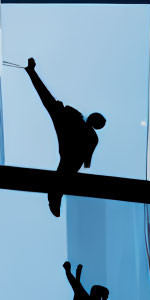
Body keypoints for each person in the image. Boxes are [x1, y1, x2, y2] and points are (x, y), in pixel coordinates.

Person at [25, 57, 105, 217]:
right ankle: (55, 196)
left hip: (68, 143)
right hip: (68, 142)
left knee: (48, 100)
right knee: (48, 101)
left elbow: (86, 159)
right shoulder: (88, 131)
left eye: (95, 119)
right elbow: (86, 160)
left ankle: (56, 196)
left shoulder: (84, 127)